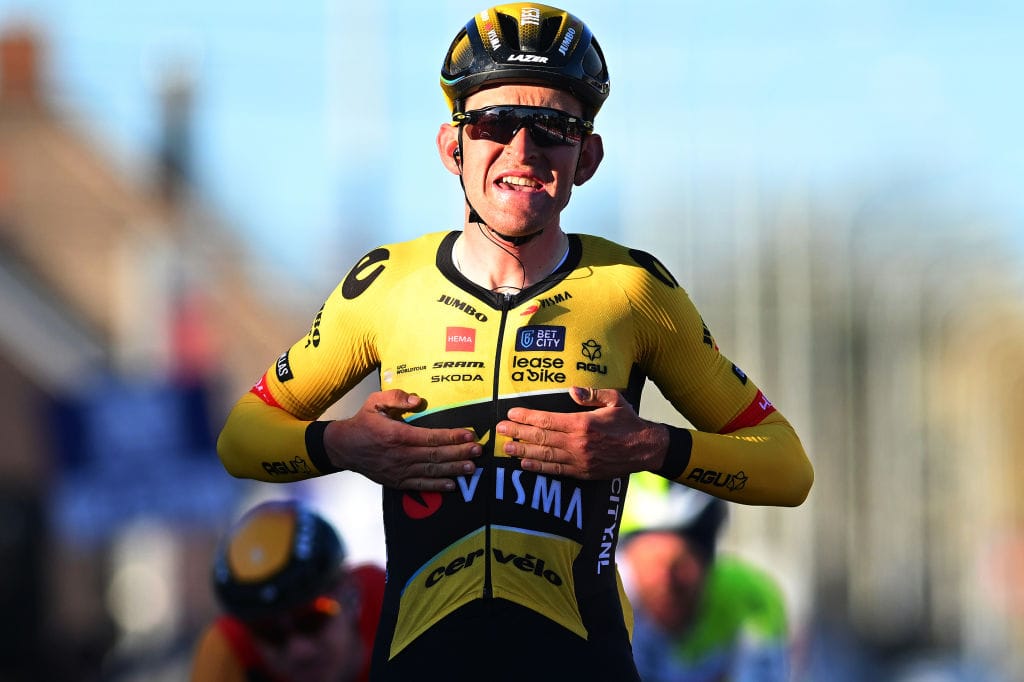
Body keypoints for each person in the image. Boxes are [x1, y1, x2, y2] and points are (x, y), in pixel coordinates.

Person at [215, 3, 813, 679]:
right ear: (453, 146)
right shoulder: (386, 284)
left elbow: (787, 467)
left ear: (587, 157)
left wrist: (646, 447)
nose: (522, 152)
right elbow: (242, 437)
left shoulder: (633, 289)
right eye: (495, 124)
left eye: (553, 128)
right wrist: (343, 445)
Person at [190, 499, 385, 682]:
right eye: (270, 633)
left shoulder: (389, 604)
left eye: (312, 619)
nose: (300, 651)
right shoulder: (230, 650)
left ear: (351, 597)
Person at [619, 475, 791, 681]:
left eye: (679, 564)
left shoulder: (749, 601)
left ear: (707, 560)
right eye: (651, 562)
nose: (666, 580)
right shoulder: (598, 602)